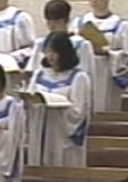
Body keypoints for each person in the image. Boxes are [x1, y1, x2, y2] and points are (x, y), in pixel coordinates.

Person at [26, 33, 92, 167]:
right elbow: (30, 98)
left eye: (54, 52)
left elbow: (79, 113)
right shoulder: (39, 74)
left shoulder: (79, 77)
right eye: (47, 51)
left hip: (61, 135)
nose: (50, 56)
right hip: (39, 131)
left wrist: (57, 104)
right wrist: (28, 104)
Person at [70, 0, 128, 112]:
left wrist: (107, 52)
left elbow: (126, 57)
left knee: (105, 110)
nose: (93, 0)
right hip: (85, 72)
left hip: (107, 76)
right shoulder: (80, 23)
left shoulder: (120, 25)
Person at [26, 0, 94, 78]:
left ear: (66, 21)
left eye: (57, 22)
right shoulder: (41, 44)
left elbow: (87, 72)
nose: (52, 27)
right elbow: (33, 70)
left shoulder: (81, 44)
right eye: (49, 23)